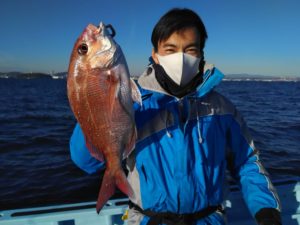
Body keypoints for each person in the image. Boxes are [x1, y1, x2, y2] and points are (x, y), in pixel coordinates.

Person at [69, 8, 282, 225]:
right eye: (170, 49)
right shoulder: (136, 105)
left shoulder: (222, 109)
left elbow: (246, 160)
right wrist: (94, 108)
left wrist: (266, 209)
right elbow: (85, 162)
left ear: (201, 55)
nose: (180, 58)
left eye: (190, 49)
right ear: (155, 54)